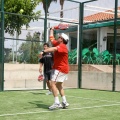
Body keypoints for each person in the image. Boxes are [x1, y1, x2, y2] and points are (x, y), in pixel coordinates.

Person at [39, 28, 69, 110]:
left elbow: (54, 49)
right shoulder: (58, 44)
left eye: (59, 37)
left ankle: (56, 103)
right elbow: (51, 39)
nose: (58, 37)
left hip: (60, 69)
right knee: (59, 85)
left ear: (62, 40)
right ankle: (64, 102)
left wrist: (44, 51)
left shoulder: (62, 46)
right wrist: (51, 29)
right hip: (63, 69)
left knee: (52, 84)